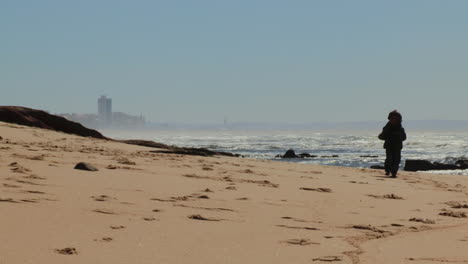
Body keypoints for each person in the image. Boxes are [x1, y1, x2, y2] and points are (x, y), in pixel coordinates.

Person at [378, 110, 407, 178]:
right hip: (389, 146)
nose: (394, 120)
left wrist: (398, 136)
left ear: (399, 119)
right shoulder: (387, 127)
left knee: (396, 159)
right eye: (392, 118)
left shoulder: (400, 128)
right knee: (389, 159)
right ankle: (388, 170)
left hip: (397, 146)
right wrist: (386, 136)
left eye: (396, 119)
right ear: (389, 118)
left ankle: (394, 172)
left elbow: (404, 138)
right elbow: (381, 136)